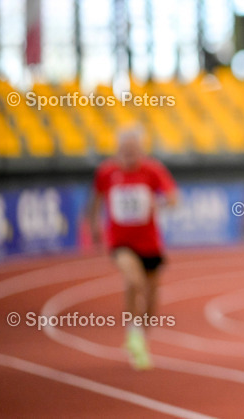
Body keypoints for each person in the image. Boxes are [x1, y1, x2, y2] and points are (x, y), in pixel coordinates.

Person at [86, 125, 178, 370]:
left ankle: (141, 338)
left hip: (150, 242)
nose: (129, 154)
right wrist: (94, 226)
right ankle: (132, 331)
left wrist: (161, 203)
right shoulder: (106, 173)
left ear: (141, 150)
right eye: (125, 149)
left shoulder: (152, 170)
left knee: (151, 295)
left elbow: (172, 197)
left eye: (134, 149)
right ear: (117, 150)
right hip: (120, 241)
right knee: (134, 281)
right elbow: (95, 201)